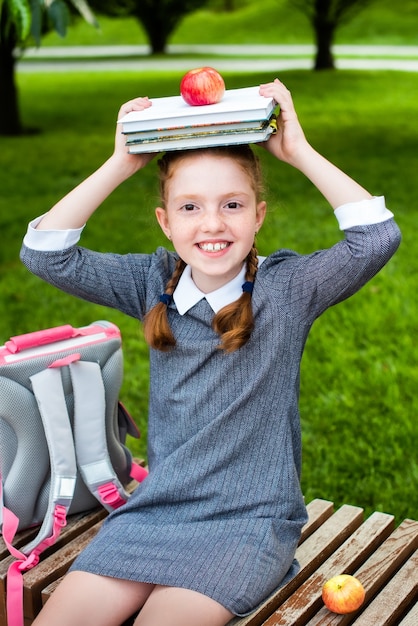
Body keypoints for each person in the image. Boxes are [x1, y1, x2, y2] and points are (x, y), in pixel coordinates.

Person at [21, 78, 400, 626]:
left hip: (249, 523)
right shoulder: (151, 282)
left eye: (232, 205)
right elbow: (45, 254)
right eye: (190, 207)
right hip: (154, 514)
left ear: (259, 216)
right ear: (165, 221)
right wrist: (121, 164)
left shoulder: (285, 289)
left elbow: (376, 239)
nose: (213, 224)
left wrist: (298, 150)